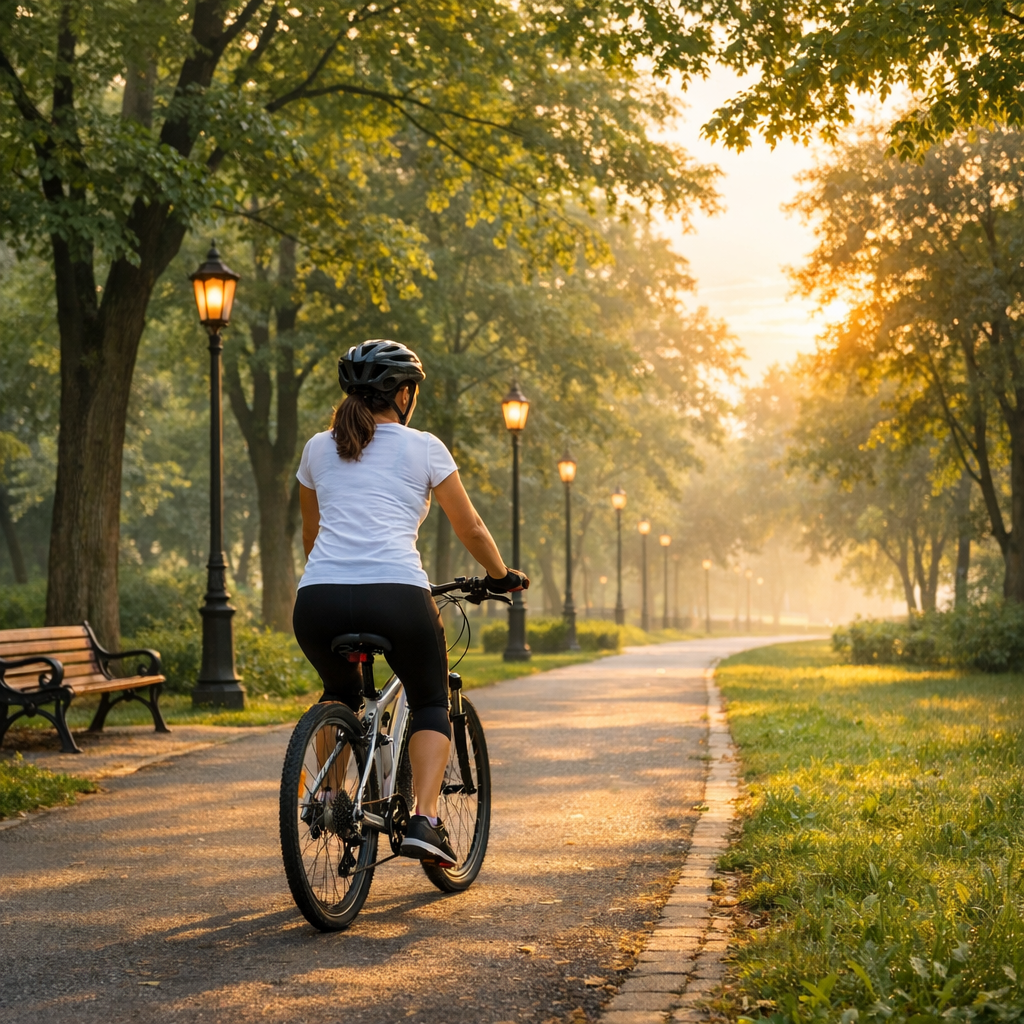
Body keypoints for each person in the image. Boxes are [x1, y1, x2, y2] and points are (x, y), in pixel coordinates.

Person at [293, 339, 528, 866]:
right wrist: (500, 576)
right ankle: (425, 819)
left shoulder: (315, 448)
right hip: (396, 595)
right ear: (403, 394)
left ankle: (329, 798)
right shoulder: (423, 447)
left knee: (339, 690)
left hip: (318, 600)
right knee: (429, 699)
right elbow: (469, 526)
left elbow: (312, 535)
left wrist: (338, 577)